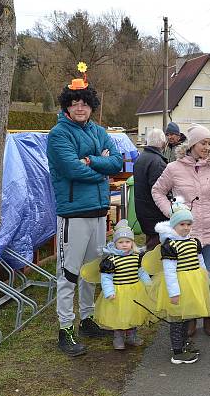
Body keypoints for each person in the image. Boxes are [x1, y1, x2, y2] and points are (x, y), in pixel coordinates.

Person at [47, 72, 123, 357]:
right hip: (73, 213)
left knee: (92, 270)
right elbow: (70, 169)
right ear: (67, 106)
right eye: (75, 103)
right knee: (69, 272)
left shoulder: (99, 132)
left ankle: (87, 319)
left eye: (85, 104)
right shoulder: (59, 135)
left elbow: (116, 162)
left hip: (99, 212)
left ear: (91, 106)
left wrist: (92, 161)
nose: (80, 108)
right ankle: (65, 329)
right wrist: (100, 172)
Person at [151, 124, 210, 337]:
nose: (207, 147)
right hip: (186, 233)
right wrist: (172, 213)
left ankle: (208, 315)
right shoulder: (174, 168)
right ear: (193, 144)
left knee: (207, 274)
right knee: (187, 275)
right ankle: (191, 316)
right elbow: (157, 191)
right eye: (204, 143)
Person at [152, 199, 210, 364]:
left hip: (194, 284)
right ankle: (177, 351)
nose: (185, 227)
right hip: (179, 285)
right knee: (177, 319)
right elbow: (169, 271)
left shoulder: (194, 242)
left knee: (186, 316)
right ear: (173, 226)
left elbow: (201, 262)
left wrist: (206, 280)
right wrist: (174, 292)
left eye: (188, 224)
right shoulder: (170, 246)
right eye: (181, 224)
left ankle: (183, 343)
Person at [96, 220, 153, 350]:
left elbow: (141, 272)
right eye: (120, 242)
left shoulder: (136, 257)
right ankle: (119, 337)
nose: (124, 245)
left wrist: (148, 284)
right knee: (119, 315)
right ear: (115, 243)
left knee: (133, 313)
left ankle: (132, 336)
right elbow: (106, 278)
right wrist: (109, 291)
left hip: (134, 291)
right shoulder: (111, 260)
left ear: (132, 242)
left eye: (127, 242)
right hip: (119, 292)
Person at [133, 129, 169, 250]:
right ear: (163, 144)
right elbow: (160, 192)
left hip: (143, 210)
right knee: (156, 250)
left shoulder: (141, 158)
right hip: (155, 214)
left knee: (150, 244)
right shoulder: (158, 162)